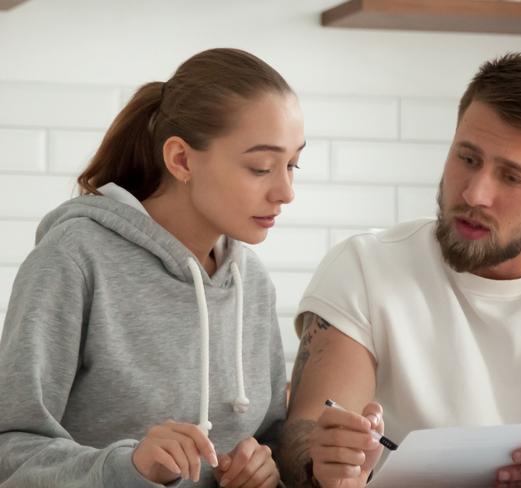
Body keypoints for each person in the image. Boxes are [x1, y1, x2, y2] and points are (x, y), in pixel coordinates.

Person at [278, 52, 521, 488]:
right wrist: (325, 462)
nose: (475, 193)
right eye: (468, 159)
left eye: (511, 177)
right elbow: (304, 431)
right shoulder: (365, 268)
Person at [0, 48, 305, 488]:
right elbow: (10, 448)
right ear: (181, 159)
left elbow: (268, 437)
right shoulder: (74, 258)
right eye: (261, 167)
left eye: (293, 164)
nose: (286, 191)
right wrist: (130, 468)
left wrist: (264, 469)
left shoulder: (251, 281)